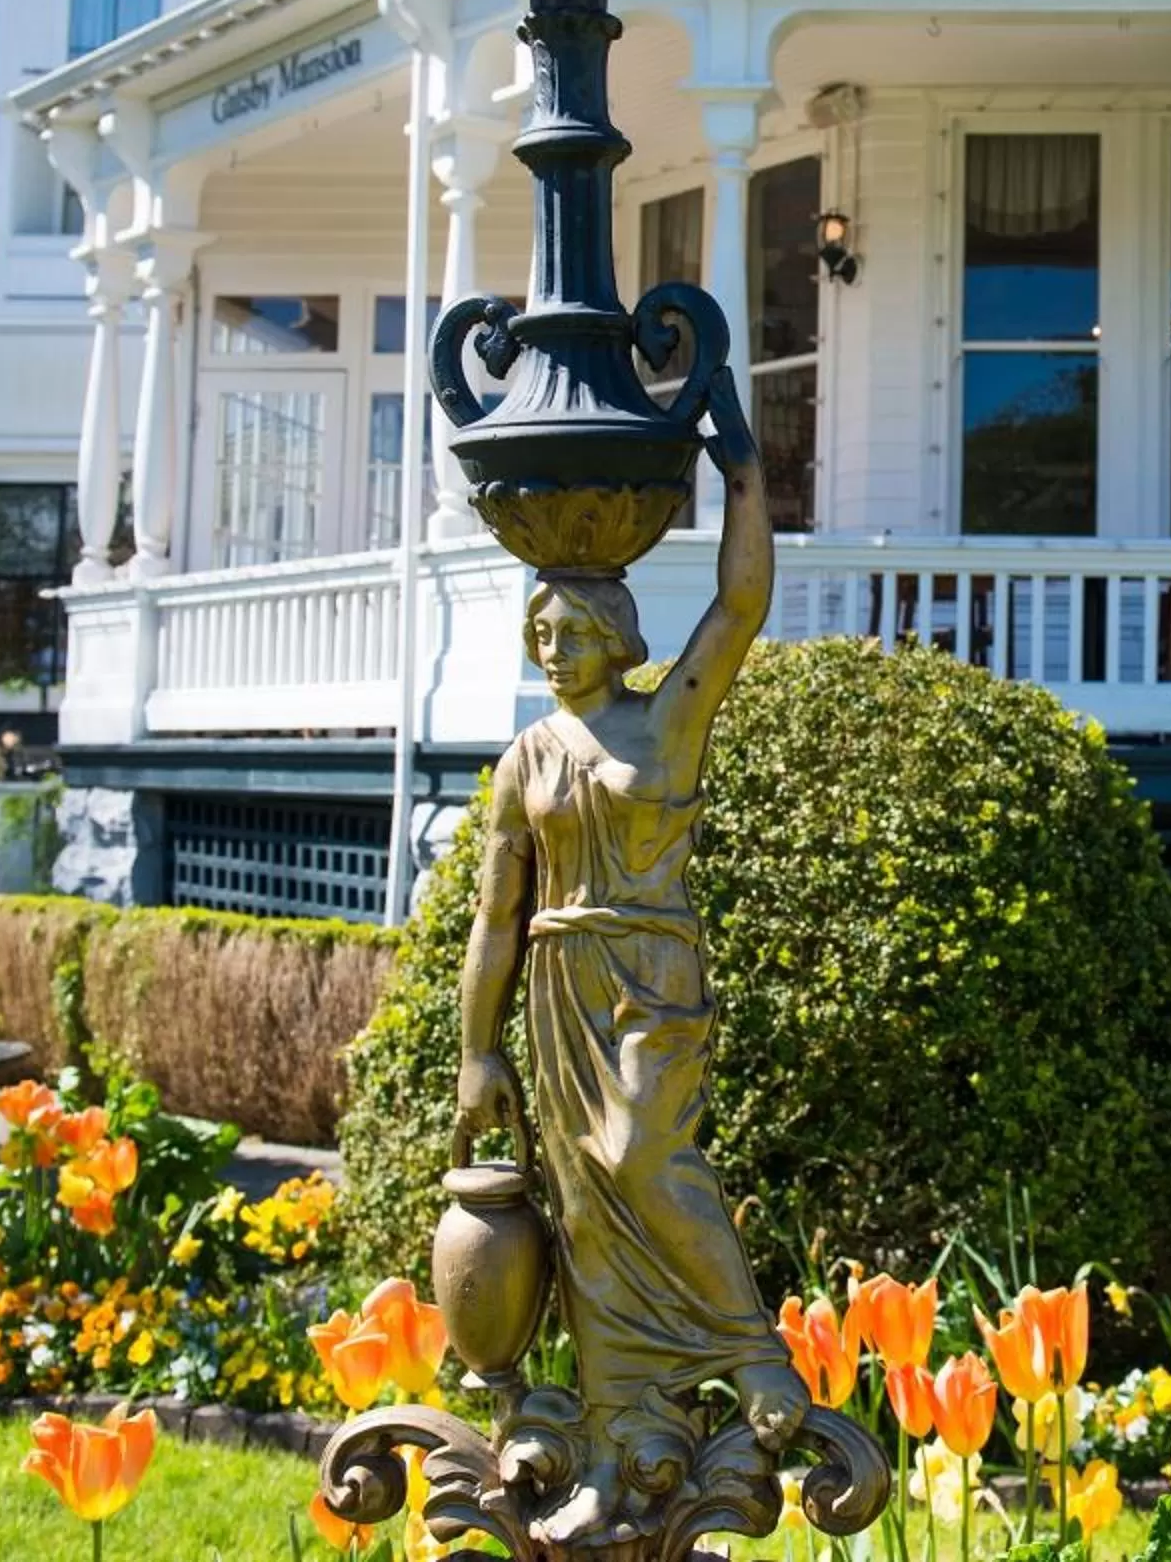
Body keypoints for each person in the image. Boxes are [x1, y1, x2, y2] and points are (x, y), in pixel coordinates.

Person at [453, 369, 808, 1542]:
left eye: (573, 629)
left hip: (651, 978)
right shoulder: (522, 759)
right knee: (589, 1213)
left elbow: (742, 603)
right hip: (557, 987)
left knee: (647, 1157)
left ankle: (755, 1358)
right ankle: (621, 1438)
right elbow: (496, 917)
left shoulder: (667, 720)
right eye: (539, 630)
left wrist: (740, 466)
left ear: (617, 634)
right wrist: (474, 1052)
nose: (554, 647)